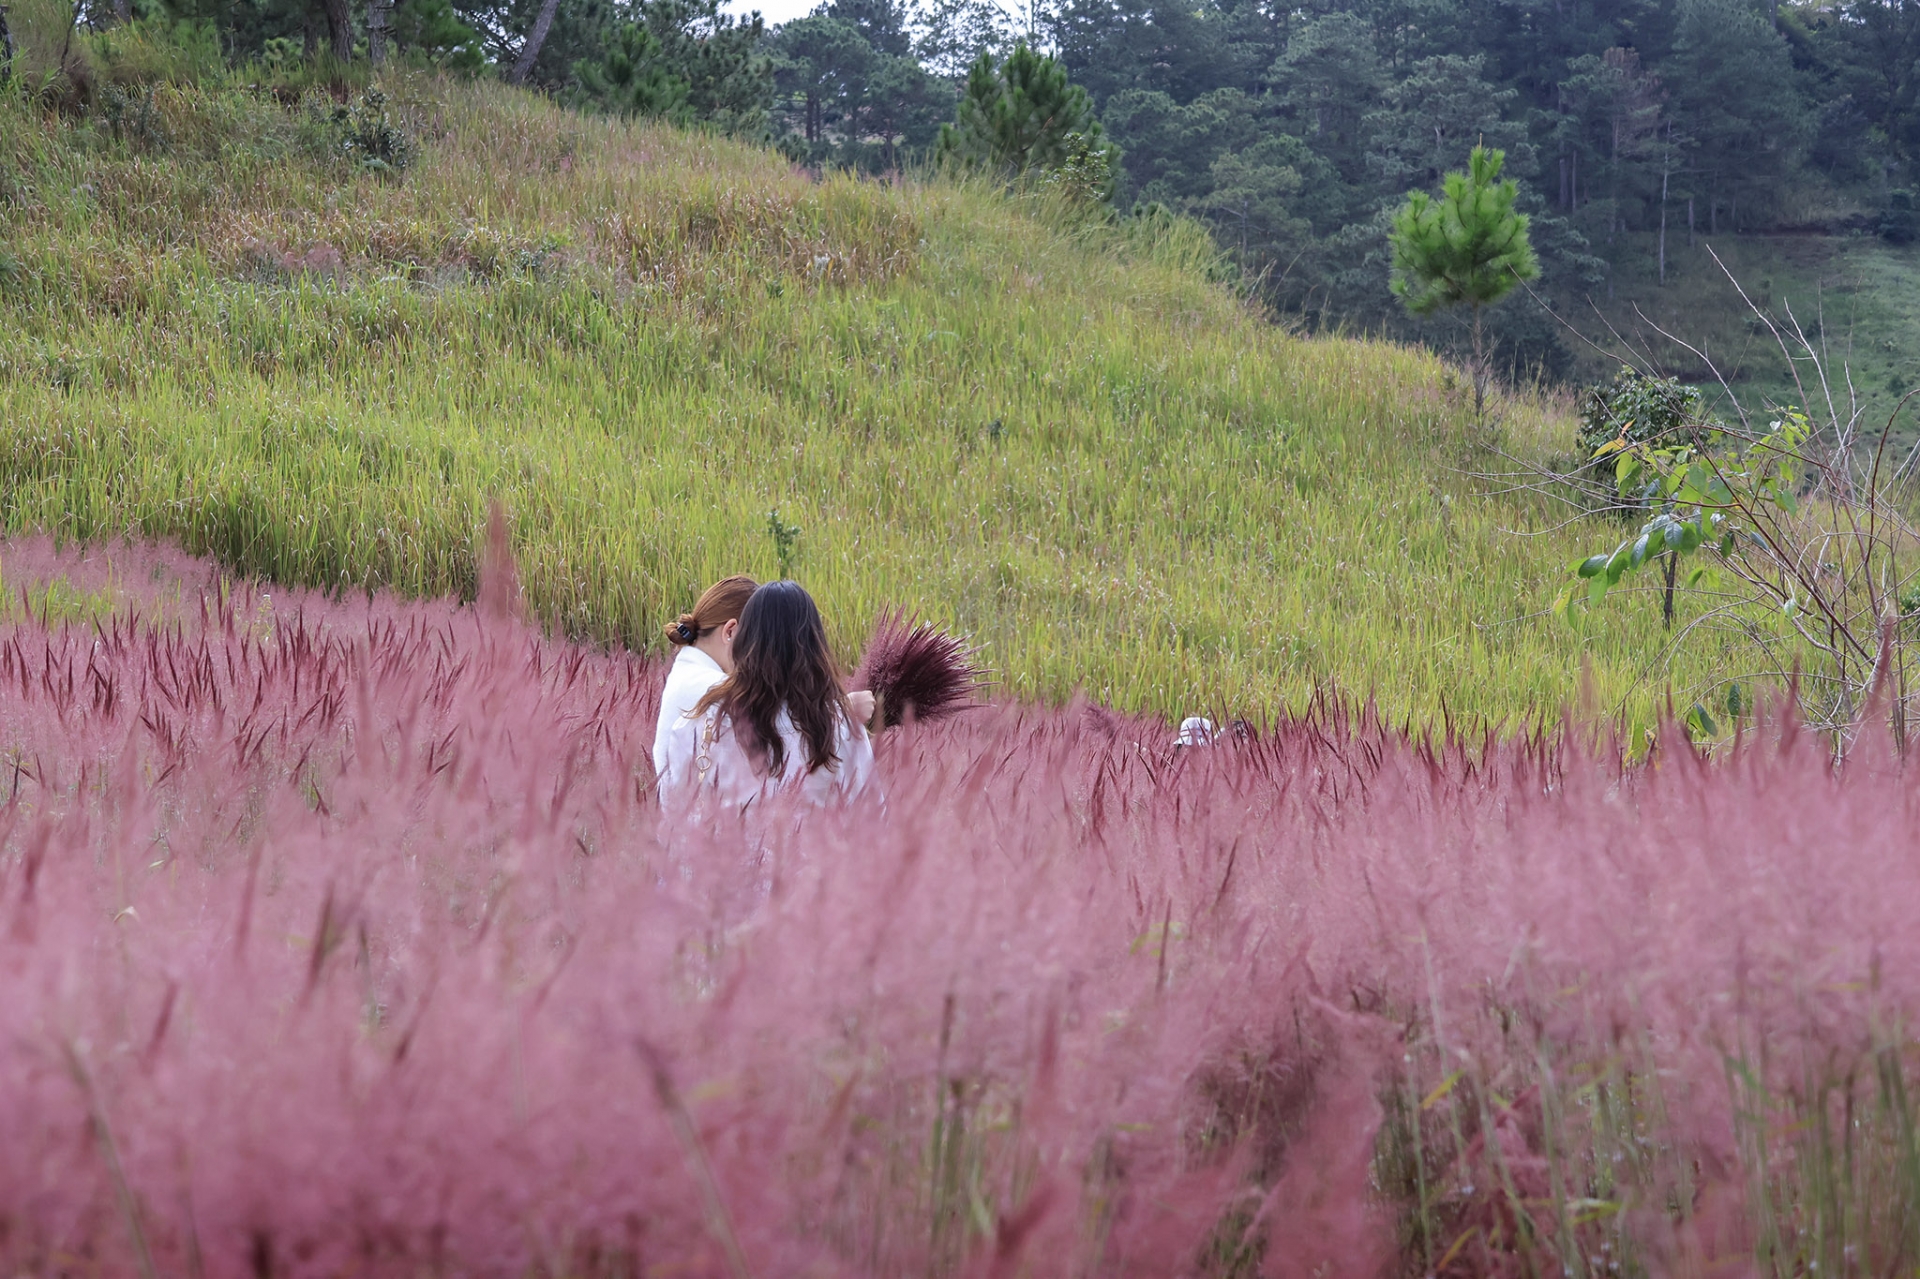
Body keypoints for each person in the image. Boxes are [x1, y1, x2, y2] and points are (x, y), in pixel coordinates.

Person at [659, 580, 875, 811]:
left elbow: (675, 818)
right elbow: (871, 817)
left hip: (725, 847)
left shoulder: (698, 725)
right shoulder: (843, 730)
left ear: (744, 643)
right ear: (816, 647)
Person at [652, 575, 757, 781]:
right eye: (758, 641)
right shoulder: (711, 688)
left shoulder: (688, 673)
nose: (759, 656)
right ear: (730, 631)